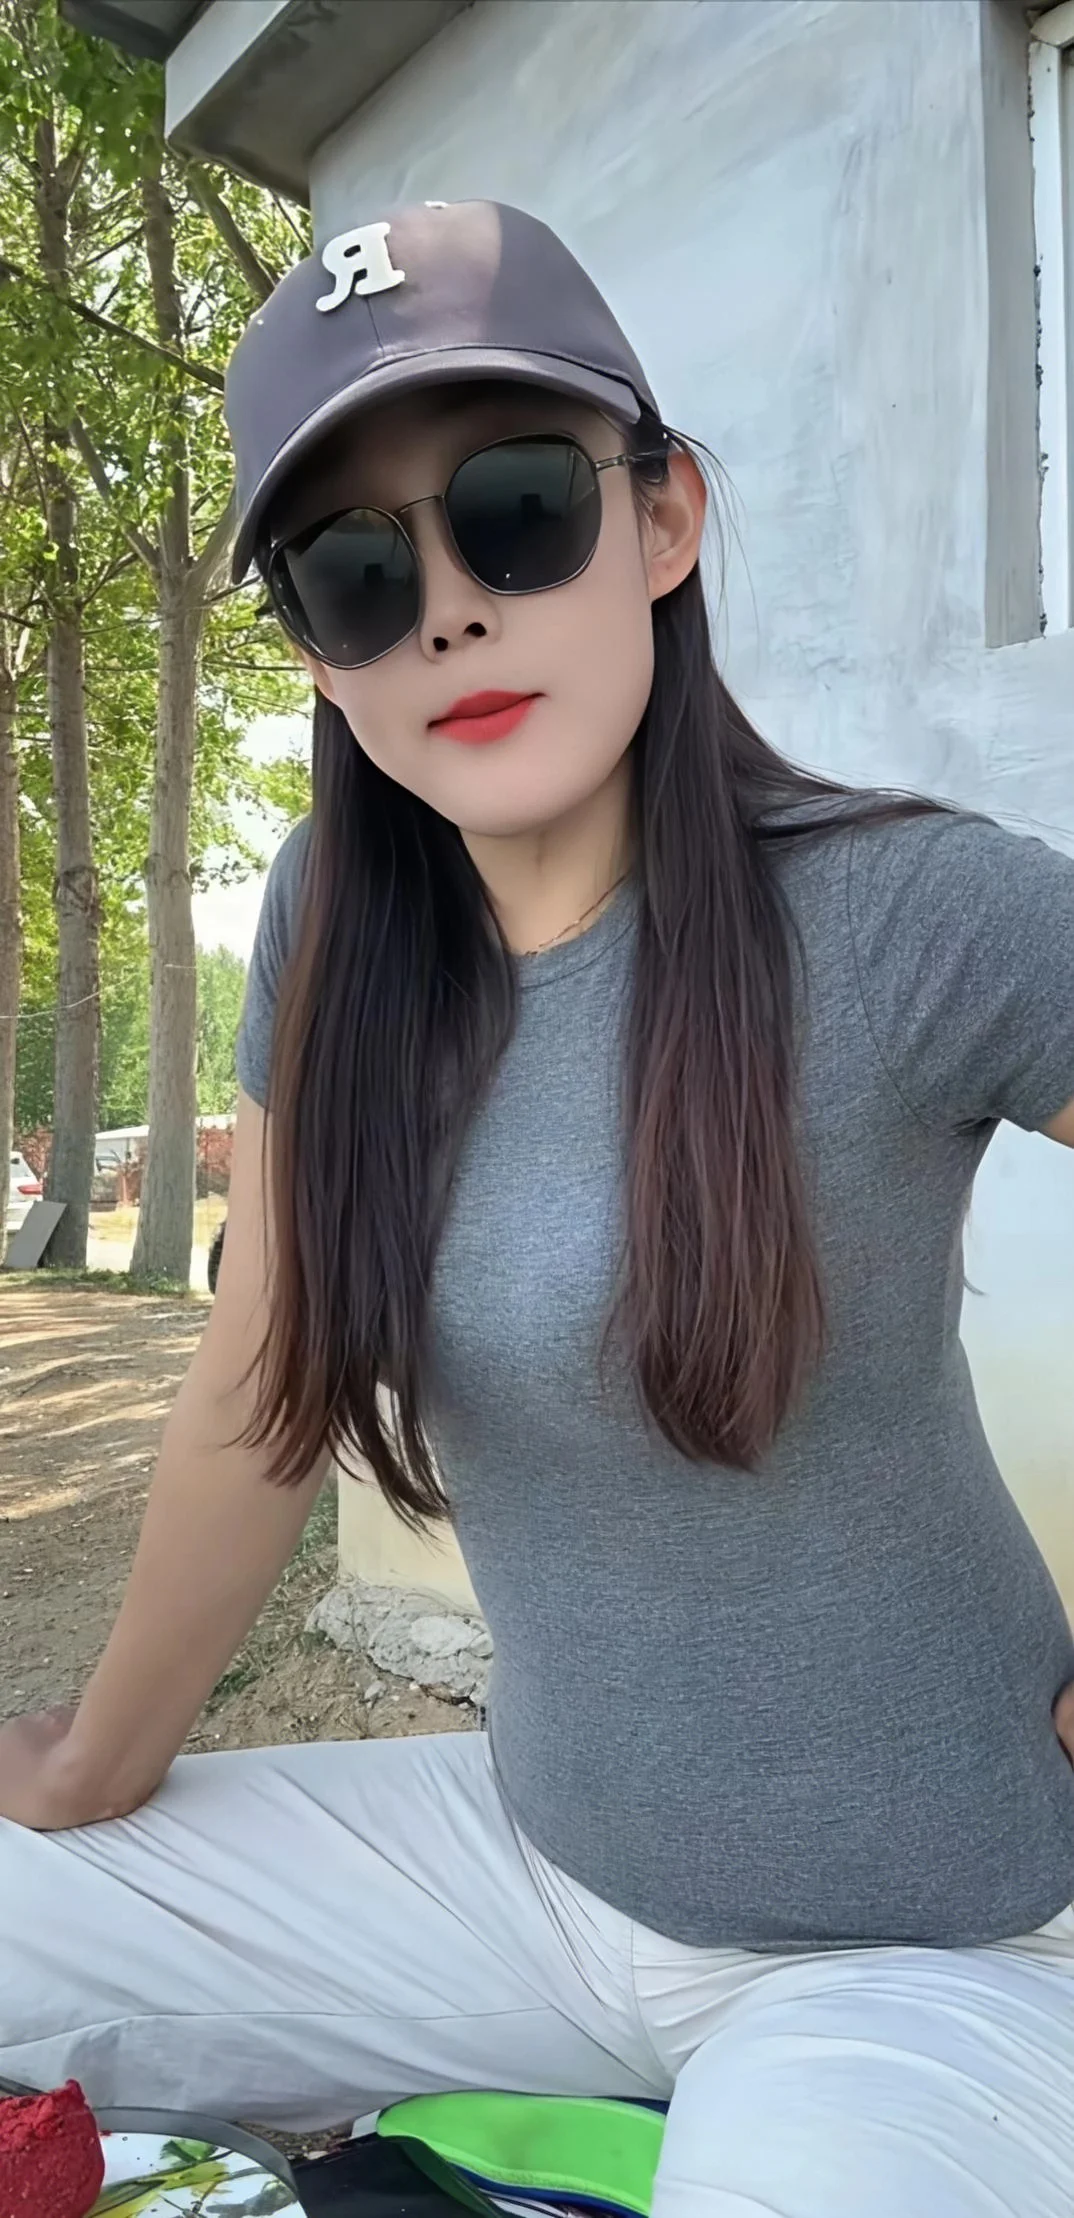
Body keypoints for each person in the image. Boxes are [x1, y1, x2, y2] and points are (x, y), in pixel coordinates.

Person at [1, 199, 1073, 2217]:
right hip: (529, 1869)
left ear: (660, 519)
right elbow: (257, 1383)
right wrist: (89, 1765)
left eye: (514, 509)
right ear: (315, 651)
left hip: (927, 1952)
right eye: (356, 570)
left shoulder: (913, 912)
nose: (448, 616)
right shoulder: (331, 929)